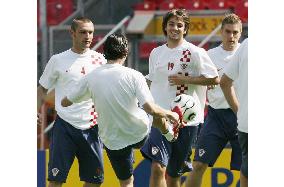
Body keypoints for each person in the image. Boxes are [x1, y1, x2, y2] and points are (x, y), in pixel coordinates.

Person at [61, 34, 181, 187]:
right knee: (156, 110)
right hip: (139, 133)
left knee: (126, 181)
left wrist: (83, 92)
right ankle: (168, 134)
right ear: (125, 52)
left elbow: (65, 102)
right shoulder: (134, 75)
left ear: (105, 53)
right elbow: (150, 108)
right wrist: (171, 113)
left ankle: (166, 134)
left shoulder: (90, 77)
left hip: (113, 140)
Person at [140, 9, 219, 187]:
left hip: (186, 121)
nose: (175, 28)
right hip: (160, 119)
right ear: (165, 27)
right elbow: (152, 80)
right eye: (171, 24)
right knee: (157, 167)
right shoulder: (156, 53)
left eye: (179, 25)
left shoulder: (195, 52)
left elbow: (214, 78)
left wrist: (186, 79)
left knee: (174, 174)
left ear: (185, 29)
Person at [37, 17, 106, 187]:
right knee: (55, 180)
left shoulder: (100, 60)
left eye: (90, 32)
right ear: (72, 33)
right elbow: (42, 90)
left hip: (93, 127)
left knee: (94, 182)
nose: (88, 36)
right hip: (64, 127)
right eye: (83, 32)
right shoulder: (57, 60)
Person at [185, 14, 243, 187]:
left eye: (235, 32)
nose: (231, 36)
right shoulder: (208, 55)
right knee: (198, 165)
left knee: (247, 170)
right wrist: (205, 82)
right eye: (227, 32)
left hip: (241, 115)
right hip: (216, 117)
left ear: (240, 33)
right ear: (221, 32)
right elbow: (194, 79)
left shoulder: (246, 54)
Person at [220, 38, 248, 187]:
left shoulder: (246, 45)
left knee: (247, 171)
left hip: (246, 122)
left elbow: (224, 82)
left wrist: (240, 111)